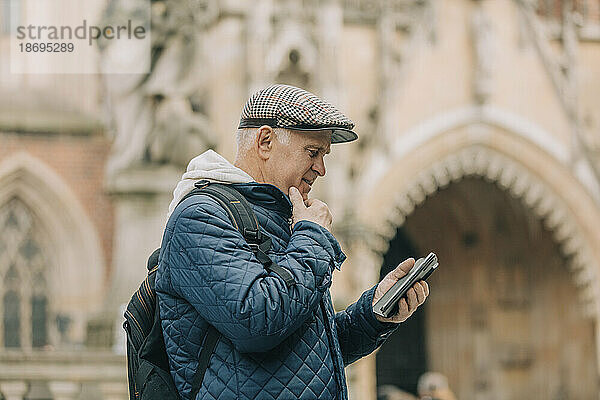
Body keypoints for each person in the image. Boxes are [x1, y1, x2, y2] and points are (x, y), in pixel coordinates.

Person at [156, 84, 430, 400]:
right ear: (265, 142)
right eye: (313, 152)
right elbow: (257, 323)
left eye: (325, 155)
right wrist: (312, 236)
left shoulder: (284, 220)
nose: (322, 169)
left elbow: (308, 355)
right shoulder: (200, 217)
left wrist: (373, 314)